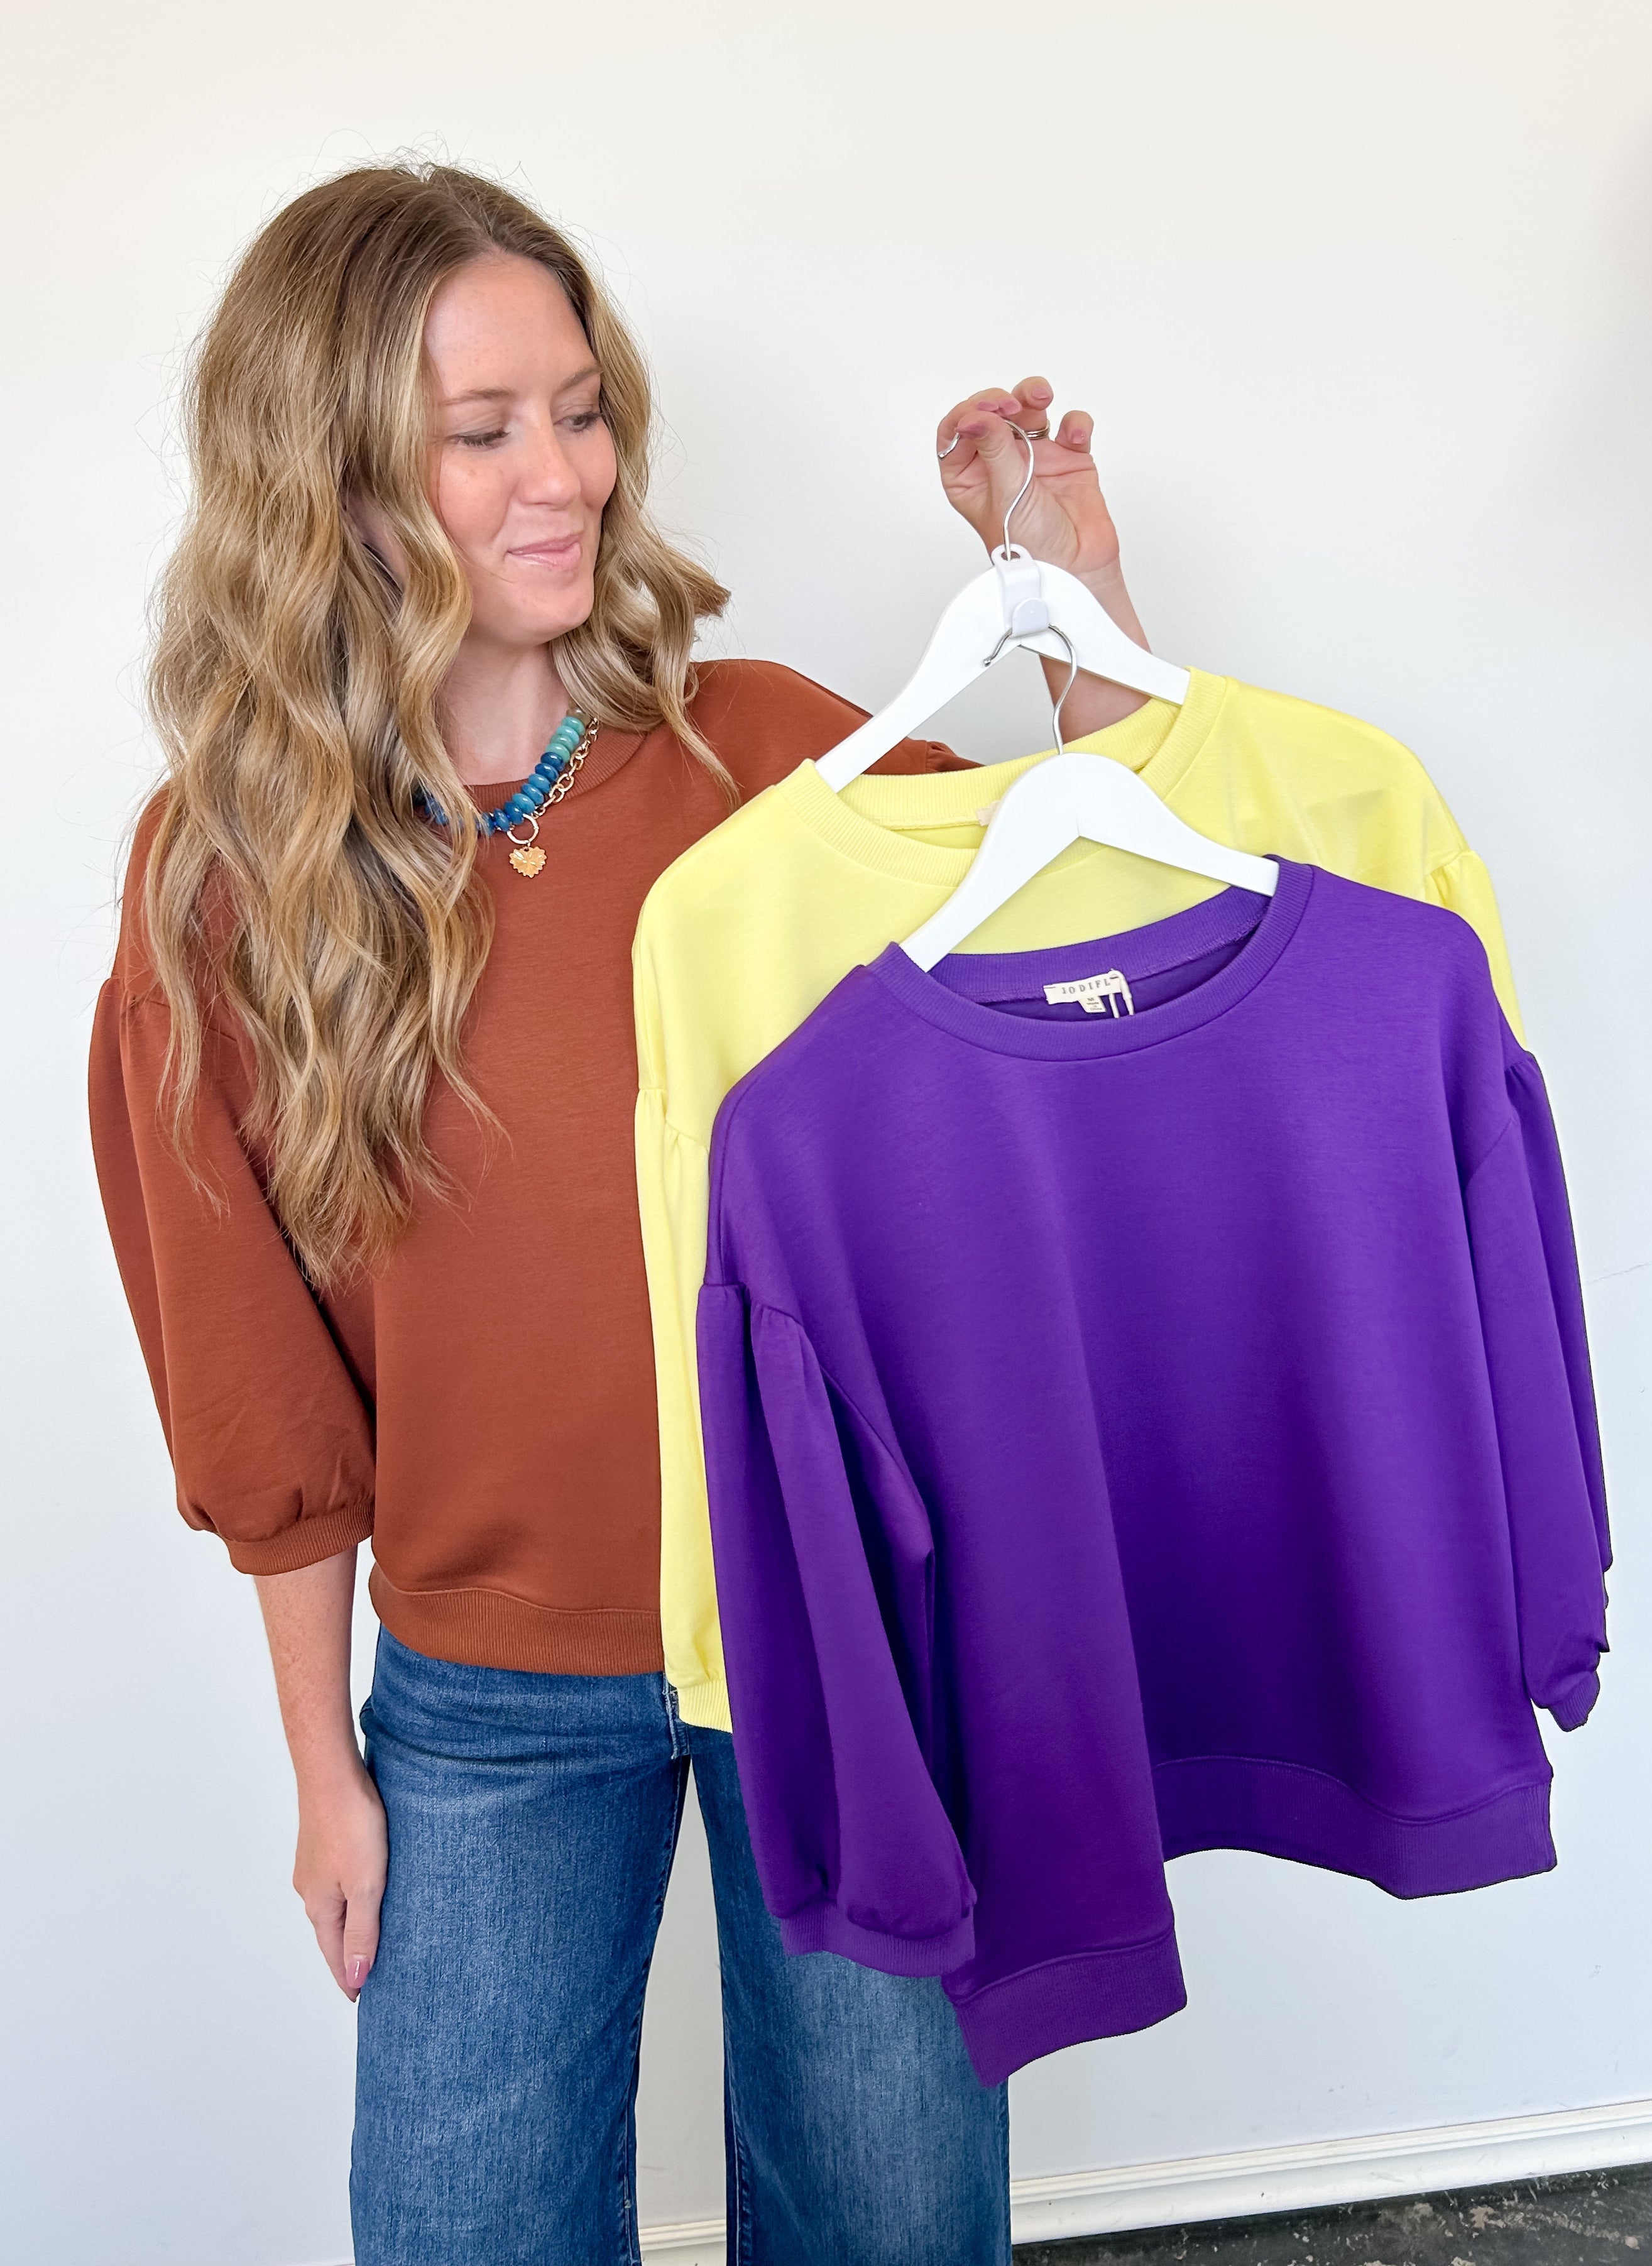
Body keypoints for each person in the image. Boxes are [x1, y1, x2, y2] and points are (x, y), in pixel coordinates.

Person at [88, 161, 1152, 2265]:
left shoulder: (765, 762)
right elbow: (252, 1383)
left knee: (889, 2227)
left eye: (577, 409)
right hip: (485, 1685)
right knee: (466, 2231)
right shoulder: (226, 883)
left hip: (836, 1634)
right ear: (330, 478)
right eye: (481, 433)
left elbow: (1114, 924)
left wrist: (1078, 595)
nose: (562, 473)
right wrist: (325, 1766)